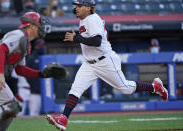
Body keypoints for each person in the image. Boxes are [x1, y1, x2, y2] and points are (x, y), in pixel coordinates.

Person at [45, 0, 168, 131]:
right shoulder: (85, 19)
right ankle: (63, 119)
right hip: (89, 63)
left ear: (88, 8)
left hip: (105, 61)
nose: (77, 8)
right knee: (75, 89)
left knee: (125, 88)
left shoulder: (93, 19)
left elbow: (97, 41)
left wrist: (76, 38)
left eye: (80, 6)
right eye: (76, 6)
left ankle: (155, 87)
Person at [0, 11, 53, 131]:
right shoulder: (19, 35)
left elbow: (20, 70)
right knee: (11, 106)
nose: (42, 27)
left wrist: (41, 74)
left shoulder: (25, 42)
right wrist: (1, 74)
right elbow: (0, 51)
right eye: (39, 24)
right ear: (31, 26)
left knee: (14, 108)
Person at [26, 38, 46, 116]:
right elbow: (26, 74)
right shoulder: (31, 58)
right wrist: (32, 87)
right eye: (40, 45)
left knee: (47, 114)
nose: (43, 47)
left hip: (45, 93)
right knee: (34, 113)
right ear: (36, 47)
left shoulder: (46, 58)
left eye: (43, 45)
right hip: (35, 93)